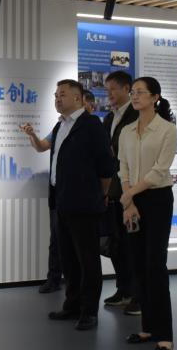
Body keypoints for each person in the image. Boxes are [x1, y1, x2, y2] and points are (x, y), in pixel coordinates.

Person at [22, 80, 114, 330]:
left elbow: (106, 166)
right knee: (69, 258)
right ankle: (72, 305)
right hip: (61, 201)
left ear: (78, 98)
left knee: (87, 260)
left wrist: (100, 194)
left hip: (84, 203)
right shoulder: (60, 125)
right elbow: (46, 150)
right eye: (55, 95)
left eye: (62, 94)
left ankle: (89, 311)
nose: (57, 98)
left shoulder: (91, 125)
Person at [118, 77, 177, 350]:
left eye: (140, 92)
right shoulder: (127, 130)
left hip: (157, 199)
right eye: (133, 92)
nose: (135, 96)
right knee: (138, 264)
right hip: (132, 200)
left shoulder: (167, 129)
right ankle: (148, 328)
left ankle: (164, 334)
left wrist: (129, 195)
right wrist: (129, 199)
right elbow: (123, 167)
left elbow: (159, 170)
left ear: (155, 97)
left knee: (156, 265)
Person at [100, 71, 139, 313]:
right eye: (107, 90)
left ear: (127, 89)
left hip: (132, 188)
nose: (109, 94)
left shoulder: (136, 115)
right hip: (113, 188)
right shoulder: (109, 118)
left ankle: (137, 293)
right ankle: (123, 288)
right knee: (116, 243)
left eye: (113, 89)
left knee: (133, 245)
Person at [20, 119, 63, 294]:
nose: (58, 104)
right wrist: (32, 135)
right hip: (57, 192)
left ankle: (78, 285)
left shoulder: (88, 126)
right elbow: (41, 146)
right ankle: (54, 279)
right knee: (56, 239)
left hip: (76, 194)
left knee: (76, 242)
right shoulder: (59, 126)